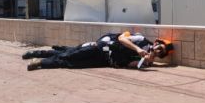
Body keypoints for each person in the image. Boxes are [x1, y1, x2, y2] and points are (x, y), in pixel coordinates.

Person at [22, 32, 174, 71]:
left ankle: (41, 62)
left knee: (70, 63)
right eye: (159, 47)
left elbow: (128, 64)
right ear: (156, 42)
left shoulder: (147, 64)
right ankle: (39, 55)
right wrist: (138, 49)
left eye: (161, 53)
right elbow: (122, 38)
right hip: (102, 47)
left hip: (104, 62)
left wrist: (140, 63)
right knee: (70, 53)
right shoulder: (141, 39)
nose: (158, 51)